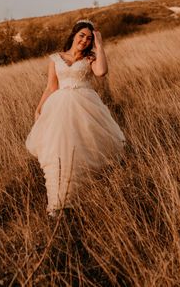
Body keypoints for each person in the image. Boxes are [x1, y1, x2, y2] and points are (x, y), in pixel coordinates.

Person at [25, 19, 126, 218]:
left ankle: (80, 198)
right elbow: (51, 87)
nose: (85, 40)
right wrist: (39, 109)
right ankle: (57, 204)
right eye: (82, 36)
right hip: (59, 108)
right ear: (74, 35)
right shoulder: (56, 58)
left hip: (85, 107)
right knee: (57, 151)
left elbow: (102, 72)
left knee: (82, 151)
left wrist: (99, 45)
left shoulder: (91, 58)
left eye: (89, 38)